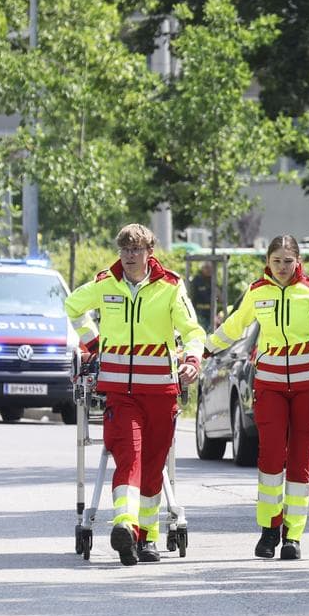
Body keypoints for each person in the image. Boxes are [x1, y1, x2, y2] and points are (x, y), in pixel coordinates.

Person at [64, 224, 204, 566]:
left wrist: (192, 358)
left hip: (160, 392)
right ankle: (125, 526)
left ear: (149, 253)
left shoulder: (170, 287)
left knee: (154, 466)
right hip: (120, 393)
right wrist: (94, 343)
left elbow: (192, 330)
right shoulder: (105, 283)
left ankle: (147, 537)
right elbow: (72, 306)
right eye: (125, 250)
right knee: (130, 456)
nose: (129, 256)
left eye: (136, 250)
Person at [207, 235, 309, 560]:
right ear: (267, 261)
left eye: (288, 261)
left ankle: (293, 535)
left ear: (298, 261)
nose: (283, 267)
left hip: (308, 387)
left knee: (300, 459)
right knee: (271, 458)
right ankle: (268, 531)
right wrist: (204, 348)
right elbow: (234, 326)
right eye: (277, 261)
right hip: (269, 385)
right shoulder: (257, 291)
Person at [189, 260, 216, 331]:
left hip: (210, 312)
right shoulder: (197, 280)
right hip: (199, 312)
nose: (209, 270)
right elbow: (192, 296)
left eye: (210, 268)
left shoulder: (212, 280)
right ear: (202, 268)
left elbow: (219, 297)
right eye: (207, 267)